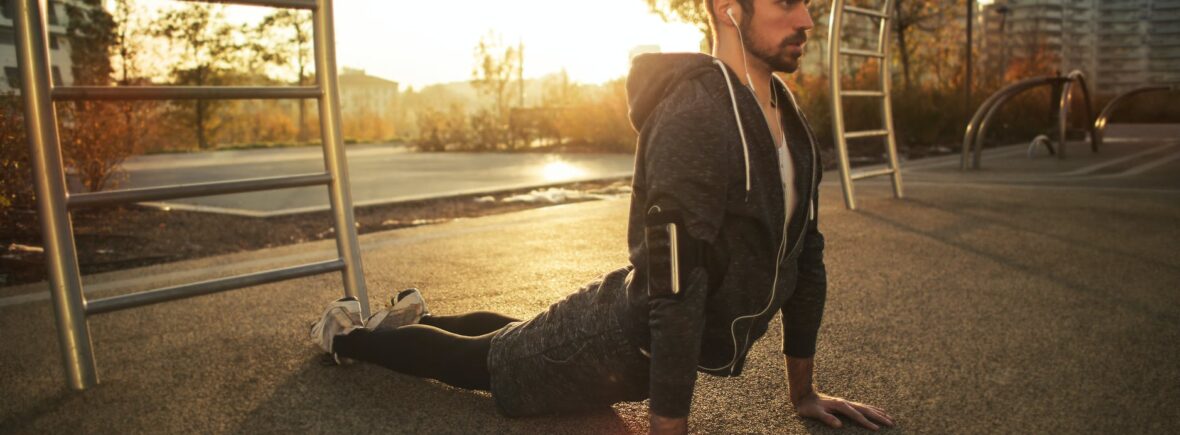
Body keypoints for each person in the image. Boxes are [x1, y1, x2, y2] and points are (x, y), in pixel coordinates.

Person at [308, 0, 894, 432]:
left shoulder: (787, 118)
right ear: (727, 9)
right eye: (786, 3)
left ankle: (402, 318)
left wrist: (805, 393)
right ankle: (350, 336)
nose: (807, 21)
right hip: (613, 342)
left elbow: (805, 260)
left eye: (809, 4)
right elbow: (675, 285)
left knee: (514, 335)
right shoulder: (697, 116)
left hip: (624, 325)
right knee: (485, 361)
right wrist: (670, 427)